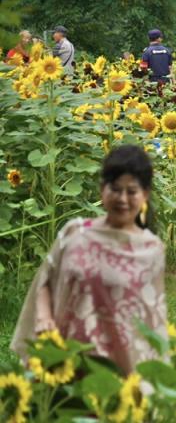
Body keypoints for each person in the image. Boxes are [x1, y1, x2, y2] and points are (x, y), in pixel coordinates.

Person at [11, 145, 167, 375]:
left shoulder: (150, 250)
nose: (122, 199)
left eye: (132, 191)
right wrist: (43, 318)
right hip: (61, 357)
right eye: (115, 189)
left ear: (145, 194)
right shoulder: (75, 234)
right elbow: (45, 280)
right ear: (102, 189)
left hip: (113, 369)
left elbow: (151, 319)